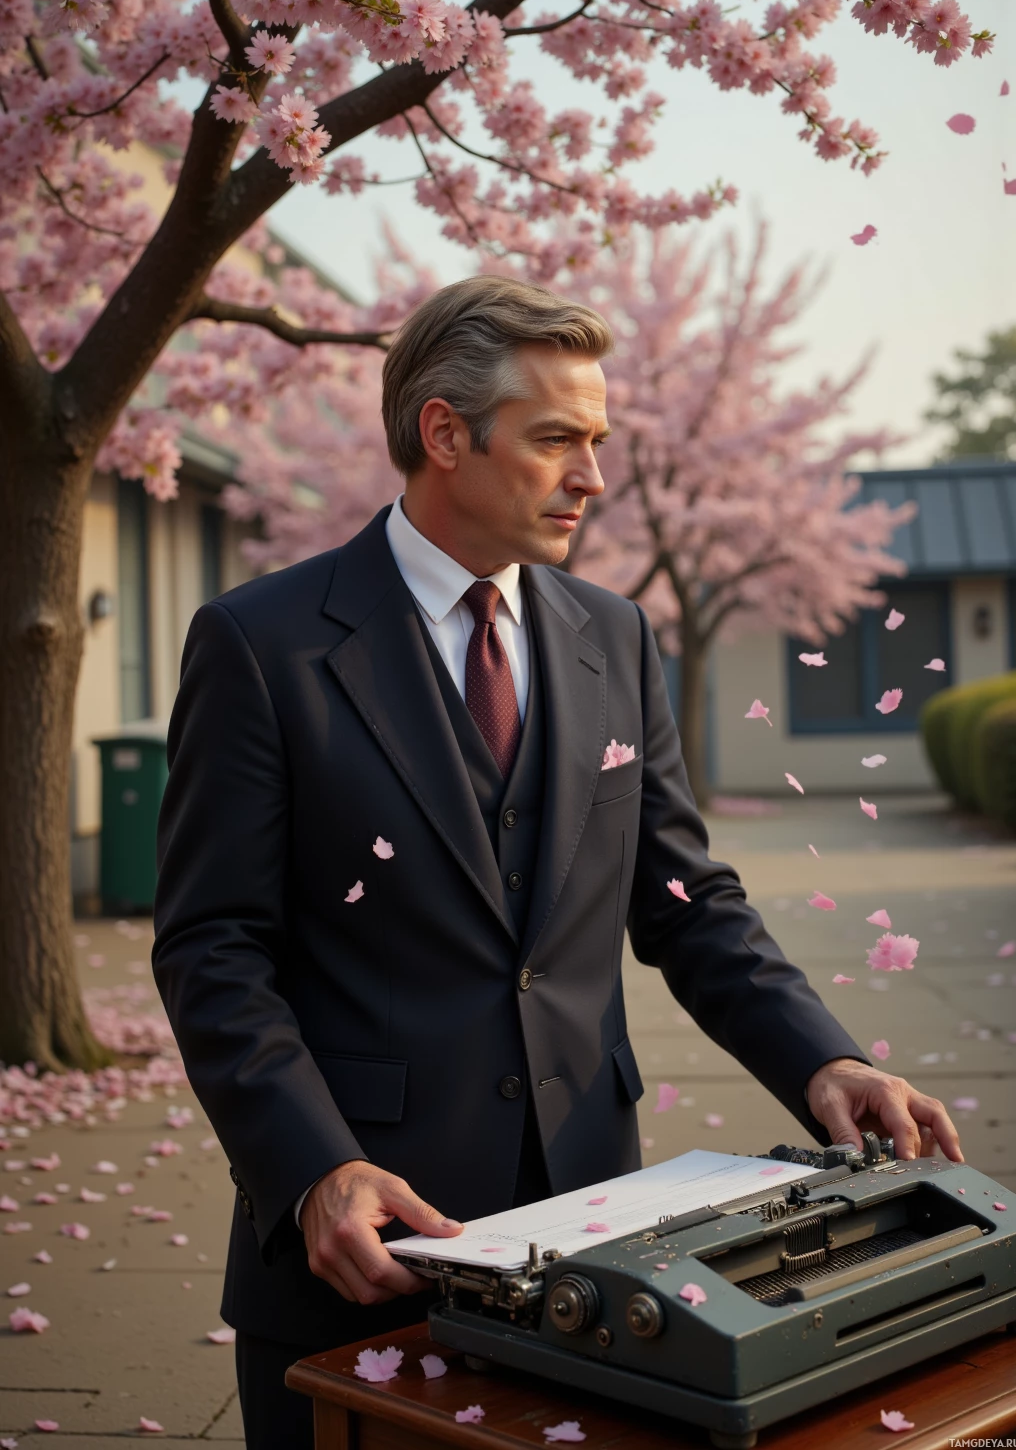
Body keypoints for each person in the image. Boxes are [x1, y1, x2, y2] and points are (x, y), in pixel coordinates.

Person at [152, 275, 962, 1449]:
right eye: (555, 441)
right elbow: (212, 947)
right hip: (363, 1248)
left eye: (597, 441)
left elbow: (687, 904)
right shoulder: (261, 644)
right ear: (444, 433)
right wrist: (313, 1167)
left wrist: (822, 1061)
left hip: (598, 1249)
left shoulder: (615, 634)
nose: (592, 474)